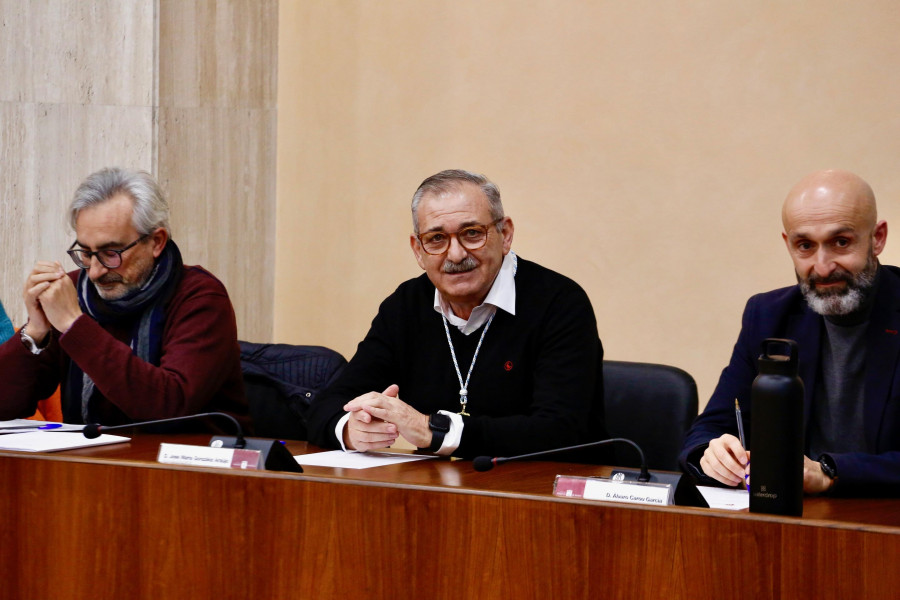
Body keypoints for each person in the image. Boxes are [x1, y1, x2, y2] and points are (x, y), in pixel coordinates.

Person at [307, 169, 608, 460]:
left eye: (472, 233)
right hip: (438, 495)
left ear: (505, 234)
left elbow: (561, 431)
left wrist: (435, 432)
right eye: (436, 239)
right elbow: (329, 405)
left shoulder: (560, 302)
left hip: (539, 496)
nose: (456, 255)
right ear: (418, 250)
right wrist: (350, 430)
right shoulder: (405, 305)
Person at [680, 169, 900, 495]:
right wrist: (712, 455)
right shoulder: (768, 315)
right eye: (805, 246)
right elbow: (712, 426)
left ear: (877, 238)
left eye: (841, 242)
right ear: (788, 245)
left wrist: (830, 472)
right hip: (794, 521)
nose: (823, 266)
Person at [0, 167, 247, 430]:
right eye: (85, 252)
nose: (95, 272)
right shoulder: (73, 291)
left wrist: (75, 325)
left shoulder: (200, 298)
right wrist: (35, 331)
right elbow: (6, 405)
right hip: (92, 461)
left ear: (156, 242)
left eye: (111, 253)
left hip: (187, 463)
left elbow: (171, 406)